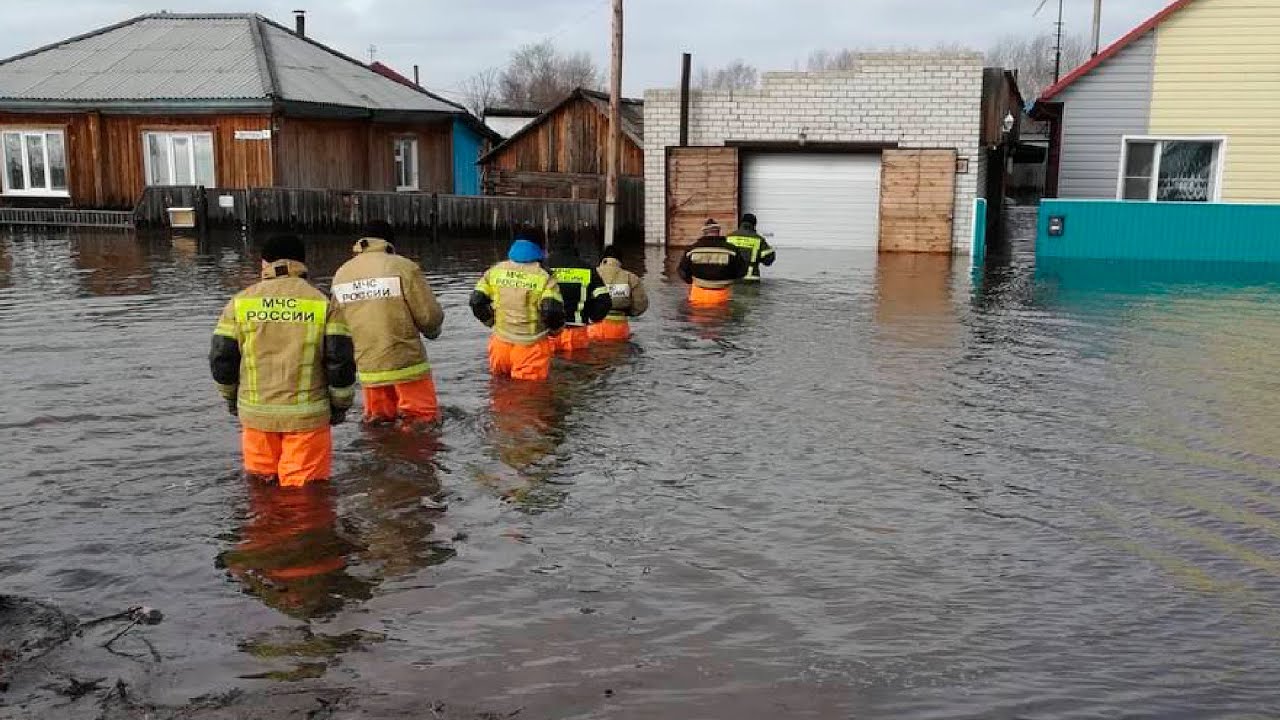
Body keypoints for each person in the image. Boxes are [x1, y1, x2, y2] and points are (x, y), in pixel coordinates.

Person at [210, 234, 356, 487]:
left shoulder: (239, 302)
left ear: (264, 263)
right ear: (302, 263)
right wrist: (340, 405)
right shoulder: (322, 303)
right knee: (304, 498)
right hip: (307, 420)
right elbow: (340, 362)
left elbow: (222, 359)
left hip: (256, 417)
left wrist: (232, 400)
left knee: (260, 491)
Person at [331, 221, 445, 425]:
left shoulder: (341, 274)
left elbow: (337, 328)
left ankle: (384, 455)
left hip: (368, 368)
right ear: (390, 243)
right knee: (423, 423)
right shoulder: (403, 267)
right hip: (407, 364)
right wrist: (433, 331)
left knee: (379, 424)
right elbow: (429, 317)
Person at [470, 237, 566, 381]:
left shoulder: (495, 270)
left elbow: (476, 301)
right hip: (530, 347)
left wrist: (491, 321)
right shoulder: (544, 277)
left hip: (500, 344)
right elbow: (552, 310)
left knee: (499, 391)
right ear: (539, 252)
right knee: (527, 398)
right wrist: (555, 331)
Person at [545, 235, 611, 353]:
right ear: (574, 247)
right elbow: (604, 301)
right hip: (576, 332)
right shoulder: (587, 268)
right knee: (579, 368)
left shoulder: (542, 267)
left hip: (547, 333)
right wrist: (592, 318)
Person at [678, 219, 748, 307]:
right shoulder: (731, 250)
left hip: (698, 295)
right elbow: (742, 271)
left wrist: (690, 281)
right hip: (722, 296)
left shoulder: (692, 250)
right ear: (718, 232)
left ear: (704, 232)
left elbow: (682, 271)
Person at [590, 244, 648, 342]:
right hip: (619, 328)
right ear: (620, 260)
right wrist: (627, 312)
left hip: (593, 327)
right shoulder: (631, 278)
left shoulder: (591, 273)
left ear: (602, 259)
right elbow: (640, 306)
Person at [726, 213, 776, 281]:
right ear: (754, 225)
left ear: (741, 223)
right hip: (751, 280)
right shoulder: (758, 239)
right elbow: (768, 261)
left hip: (732, 278)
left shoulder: (729, 237)